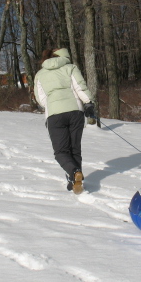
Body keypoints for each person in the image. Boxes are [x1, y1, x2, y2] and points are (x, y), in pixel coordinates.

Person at [34, 47, 95, 194]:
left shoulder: (40, 74)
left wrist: (53, 103)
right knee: (75, 149)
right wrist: (88, 103)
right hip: (75, 112)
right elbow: (80, 87)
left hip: (54, 115)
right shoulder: (70, 68)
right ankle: (74, 180)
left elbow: (41, 100)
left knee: (61, 151)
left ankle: (73, 174)